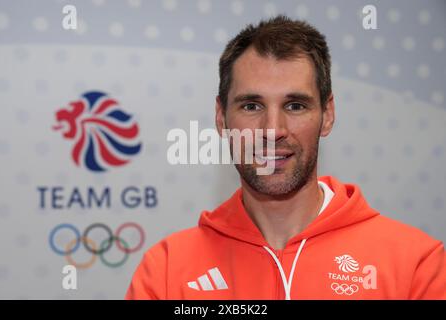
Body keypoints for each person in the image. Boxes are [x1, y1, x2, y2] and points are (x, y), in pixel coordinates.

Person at [126, 15, 445, 299]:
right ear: (221, 118)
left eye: (295, 105)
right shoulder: (167, 271)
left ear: (328, 114)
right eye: (252, 106)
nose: (273, 129)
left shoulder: (416, 265)